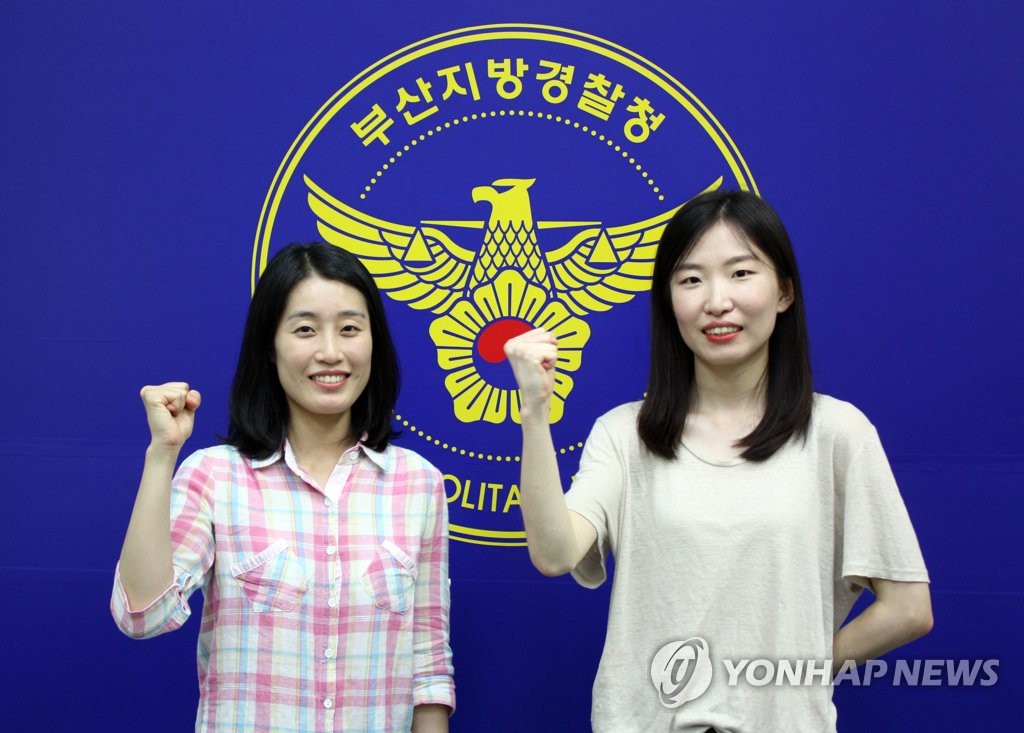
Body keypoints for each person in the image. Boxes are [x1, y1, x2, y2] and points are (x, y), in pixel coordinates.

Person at [503, 190, 932, 732]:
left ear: (784, 291)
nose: (716, 301)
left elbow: (908, 609)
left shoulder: (837, 433)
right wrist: (534, 411)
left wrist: (788, 678)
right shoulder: (624, 434)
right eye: (691, 279)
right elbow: (554, 553)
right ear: (669, 301)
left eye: (741, 273)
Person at [111, 243, 454, 732]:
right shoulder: (215, 476)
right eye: (305, 329)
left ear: (374, 343)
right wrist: (162, 452)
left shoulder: (418, 483)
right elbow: (142, 616)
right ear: (269, 347)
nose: (330, 352)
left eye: (350, 329)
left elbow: (428, 663)